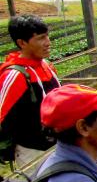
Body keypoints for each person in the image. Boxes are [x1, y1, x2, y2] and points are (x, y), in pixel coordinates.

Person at [0, 14, 60, 168]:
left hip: (57, 146)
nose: (48, 43)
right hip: (33, 153)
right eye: (40, 38)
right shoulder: (15, 76)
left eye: (47, 36)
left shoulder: (47, 66)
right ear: (22, 43)